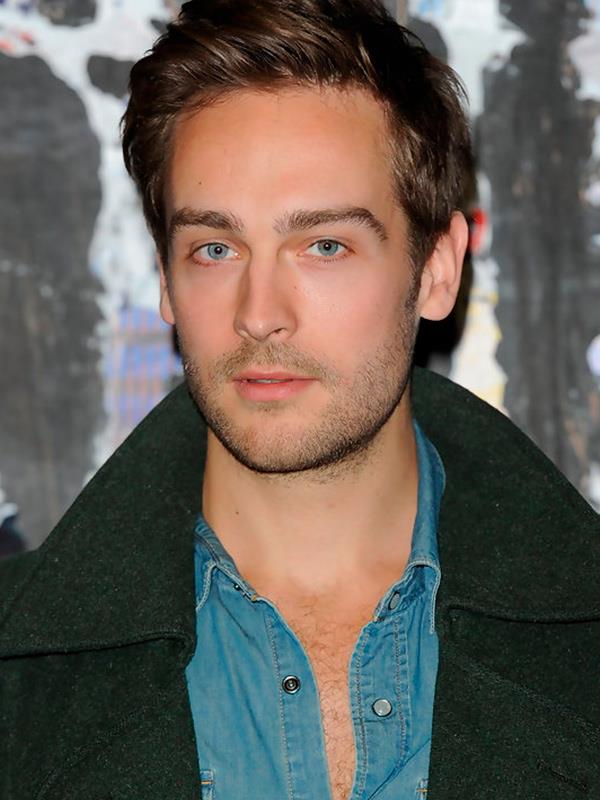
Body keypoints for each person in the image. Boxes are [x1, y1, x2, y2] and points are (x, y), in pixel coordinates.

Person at [1, 1, 598, 798]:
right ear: (167, 279)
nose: (259, 313)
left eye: (323, 245)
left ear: (437, 270)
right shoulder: (19, 679)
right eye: (215, 248)